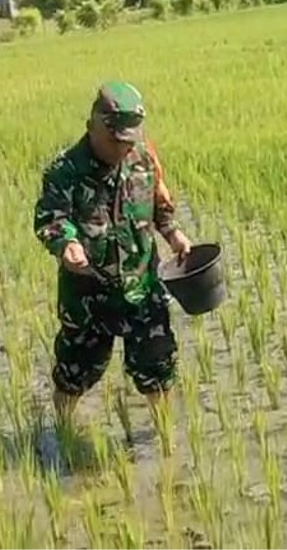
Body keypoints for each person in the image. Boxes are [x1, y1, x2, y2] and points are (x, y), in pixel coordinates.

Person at [33, 81, 193, 430]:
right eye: (115, 140)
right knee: (74, 373)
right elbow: (51, 218)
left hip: (142, 286)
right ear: (93, 126)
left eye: (129, 141)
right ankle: (63, 431)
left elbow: (159, 203)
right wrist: (66, 244)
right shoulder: (65, 171)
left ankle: (165, 438)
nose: (123, 149)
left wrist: (173, 233)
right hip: (88, 296)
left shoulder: (144, 158)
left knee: (157, 368)